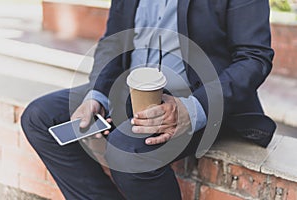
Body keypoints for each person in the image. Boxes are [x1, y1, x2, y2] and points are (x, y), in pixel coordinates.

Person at [21, 0, 276, 199]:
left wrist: (193, 108)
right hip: (127, 87)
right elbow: (113, 42)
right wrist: (97, 94)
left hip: (201, 97)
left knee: (127, 149)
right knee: (39, 117)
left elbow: (254, 57)